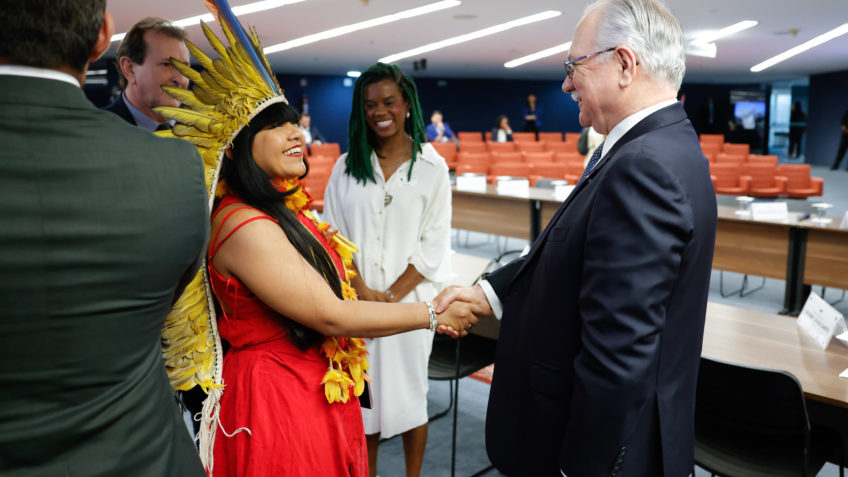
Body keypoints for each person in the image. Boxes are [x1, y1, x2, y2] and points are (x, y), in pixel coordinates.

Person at [153, 19, 478, 477]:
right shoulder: (241, 223)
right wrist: (432, 314)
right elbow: (329, 313)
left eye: (292, 123)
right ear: (237, 145)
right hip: (274, 402)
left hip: (312, 384)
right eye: (275, 127)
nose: (294, 133)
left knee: (407, 404)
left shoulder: (283, 209)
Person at [435, 0, 717, 475]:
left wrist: (582, 465)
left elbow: (619, 352)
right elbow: (575, 249)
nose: (566, 84)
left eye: (575, 66)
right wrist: (490, 292)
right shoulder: (657, 145)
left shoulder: (642, 165)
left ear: (625, 64)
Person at [0, 1, 208, 475]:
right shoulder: (175, 170)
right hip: (142, 452)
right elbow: (167, 292)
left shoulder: (185, 153)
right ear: (103, 37)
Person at [324, 62, 452, 477]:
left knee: (412, 400)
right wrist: (361, 289)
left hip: (410, 309)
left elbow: (432, 246)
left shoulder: (432, 168)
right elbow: (332, 237)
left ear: (407, 106)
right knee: (366, 406)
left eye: (389, 101)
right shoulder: (345, 169)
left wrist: (391, 298)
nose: (381, 111)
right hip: (356, 309)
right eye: (370, 104)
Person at [104, 17, 190, 131]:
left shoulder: (201, 135)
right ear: (129, 69)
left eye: (185, 68)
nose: (180, 79)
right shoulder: (95, 131)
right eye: (166, 64)